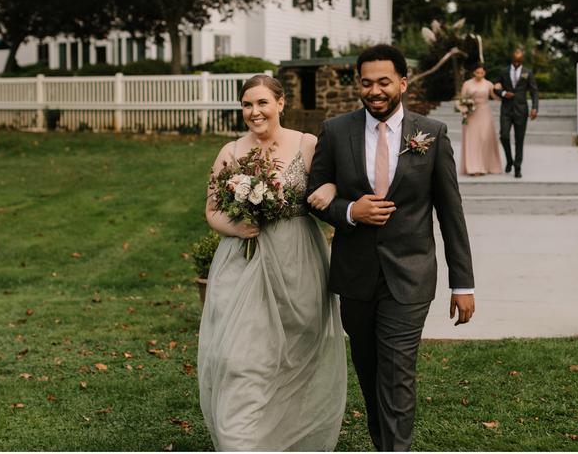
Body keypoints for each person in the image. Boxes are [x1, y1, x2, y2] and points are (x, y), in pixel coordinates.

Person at [307, 44, 475, 451]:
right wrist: (350, 211)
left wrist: (463, 284)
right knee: (369, 370)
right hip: (355, 275)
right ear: (358, 85)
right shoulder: (335, 131)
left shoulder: (431, 135)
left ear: (402, 82)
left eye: (384, 82)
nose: (375, 91)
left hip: (410, 275)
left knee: (397, 371)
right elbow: (313, 192)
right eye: (366, 83)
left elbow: (451, 213)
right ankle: (384, 442)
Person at [197, 74, 346, 451]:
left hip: (298, 257)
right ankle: (240, 440)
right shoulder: (231, 152)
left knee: (295, 349)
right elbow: (211, 211)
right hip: (243, 262)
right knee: (240, 354)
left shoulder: (308, 144)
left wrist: (330, 187)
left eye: (262, 103)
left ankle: (285, 437)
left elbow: (336, 186)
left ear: (281, 103)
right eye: (247, 105)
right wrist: (236, 226)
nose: (254, 112)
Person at [494, 48, 539, 178]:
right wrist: (503, 93)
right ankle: (509, 160)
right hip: (506, 110)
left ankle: (517, 167)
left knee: (519, 140)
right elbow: (495, 87)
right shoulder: (504, 71)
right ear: (512, 59)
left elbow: (534, 92)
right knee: (504, 136)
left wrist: (535, 108)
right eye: (515, 60)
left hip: (521, 110)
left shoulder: (528, 72)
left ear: (522, 60)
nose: (517, 63)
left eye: (519, 61)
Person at [460, 64, 503, 176]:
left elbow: (495, 97)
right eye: (477, 72)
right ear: (474, 72)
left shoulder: (488, 84)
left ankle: (487, 166)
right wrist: (464, 110)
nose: (479, 75)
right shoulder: (467, 84)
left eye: (482, 73)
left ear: (484, 73)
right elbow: (462, 99)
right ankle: (474, 168)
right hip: (471, 114)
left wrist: (502, 92)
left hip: (484, 113)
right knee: (473, 140)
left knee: (485, 139)